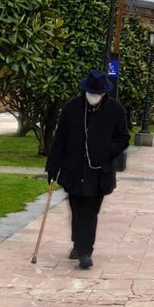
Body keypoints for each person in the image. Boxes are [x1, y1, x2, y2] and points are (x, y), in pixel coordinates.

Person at [45, 69, 130, 270]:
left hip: (99, 172)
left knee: (90, 213)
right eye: (91, 92)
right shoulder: (71, 108)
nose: (94, 96)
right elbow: (59, 140)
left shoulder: (115, 110)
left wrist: (108, 150)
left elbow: (123, 138)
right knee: (77, 210)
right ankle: (78, 243)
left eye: (97, 93)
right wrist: (52, 168)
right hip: (73, 170)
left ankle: (85, 252)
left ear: (104, 93)